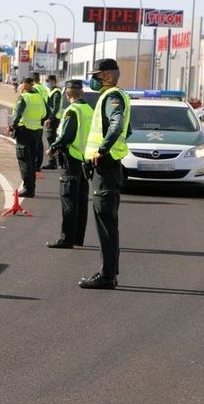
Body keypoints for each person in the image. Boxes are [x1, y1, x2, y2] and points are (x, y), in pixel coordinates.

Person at [79, 58, 131, 289]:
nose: (93, 80)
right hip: (110, 166)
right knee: (108, 222)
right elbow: (128, 130)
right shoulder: (116, 96)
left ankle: (107, 276)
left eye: (96, 76)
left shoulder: (112, 97)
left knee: (105, 224)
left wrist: (102, 150)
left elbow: (117, 125)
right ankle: (109, 271)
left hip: (105, 167)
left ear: (107, 76)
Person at [45, 79, 93, 249]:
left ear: (67, 93)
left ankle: (66, 239)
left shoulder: (72, 111)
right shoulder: (88, 109)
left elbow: (66, 135)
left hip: (72, 158)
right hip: (85, 160)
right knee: (81, 200)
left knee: (69, 200)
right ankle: (78, 237)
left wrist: (53, 148)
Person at [8, 77, 46, 198]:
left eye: (22, 83)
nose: (20, 86)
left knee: (24, 161)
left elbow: (17, 114)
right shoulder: (39, 97)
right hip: (36, 132)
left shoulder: (24, 97)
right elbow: (46, 113)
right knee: (32, 161)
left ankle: (28, 189)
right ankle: (31, 188)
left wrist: (12, 126)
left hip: (24, 131)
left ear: (27, 85)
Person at [41, 75, 63, 169]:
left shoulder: (56, 92)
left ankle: (53, 162)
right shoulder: (51, 91)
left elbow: (56, 107)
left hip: (53, 119)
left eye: (48, 81)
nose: (46, 83)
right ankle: (54, 161)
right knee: (51, 139)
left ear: (53, 81)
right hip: (52, 119)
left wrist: (49, 119)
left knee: (51, 140)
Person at [32, 72, 49, 172]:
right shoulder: (44, 88)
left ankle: (35, 164)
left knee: (35, 142)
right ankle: (38, 163)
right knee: (39, 142)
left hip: (35, 117)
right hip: (42, 115)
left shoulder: (34, 89)